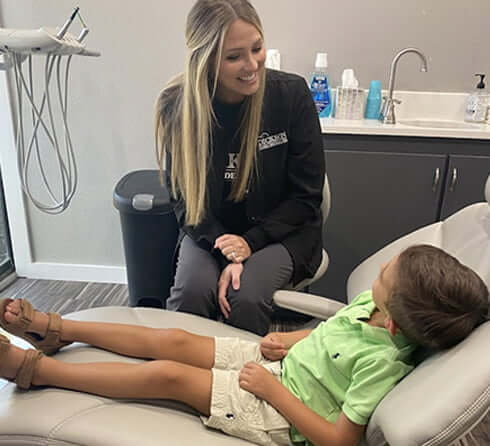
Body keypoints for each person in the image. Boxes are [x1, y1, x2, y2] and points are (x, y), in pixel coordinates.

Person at [0, 245, 488, 446]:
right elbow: (333, 328)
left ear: (398, 323)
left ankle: (35, 370)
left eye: (386, 275)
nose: (379, 271)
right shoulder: (372, 306)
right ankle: (57, 327)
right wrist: (292, 339)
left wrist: (274, 392)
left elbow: (342, 441)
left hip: (279, 411)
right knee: (171, 338)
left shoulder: (384, 361)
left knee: (166, 375)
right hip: (276, 365)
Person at [155, 0, 325, 335]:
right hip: (210, 229)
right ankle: (180, 375)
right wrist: (225, 245)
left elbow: (306, 197)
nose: (252, 65)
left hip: (282, 231)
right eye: (234, 56)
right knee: (191, 292)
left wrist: (249, 244)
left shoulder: (291, 96)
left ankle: (238, 381)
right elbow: (184, 200)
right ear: (205, 61)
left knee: (243, 296)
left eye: (257, 48)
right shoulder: (178, 106)